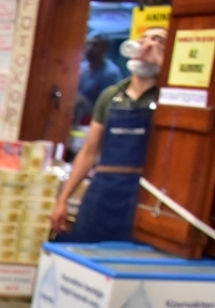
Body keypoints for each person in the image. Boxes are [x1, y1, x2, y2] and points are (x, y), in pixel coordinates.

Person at [51, 27, 167, 242]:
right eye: (144, 39)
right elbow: (89, 151)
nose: (148, 45)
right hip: (103, 188)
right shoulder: (111, 95)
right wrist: (63, 199)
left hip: (140, 194)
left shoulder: (166, 99)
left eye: (158, 40)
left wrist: (163, 66)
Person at [75, 36, 123, 125]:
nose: (90, 48)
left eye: (95, 45)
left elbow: (108, 105)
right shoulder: (82, 67)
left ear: (105, 48)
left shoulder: (111, 73)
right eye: (88, 44)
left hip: (97, 119)